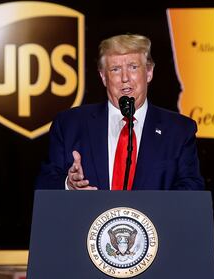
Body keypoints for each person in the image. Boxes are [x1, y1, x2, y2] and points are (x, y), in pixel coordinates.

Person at [35, 33, 204, 190]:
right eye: (115, 69)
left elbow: (191, 189)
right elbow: (45, 183)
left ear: (149, 72)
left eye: (133, 67)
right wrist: (68, 184)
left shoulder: (179, 130)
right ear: (103, 77)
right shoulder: (69, 124)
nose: (125, 78)